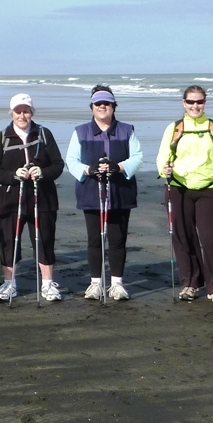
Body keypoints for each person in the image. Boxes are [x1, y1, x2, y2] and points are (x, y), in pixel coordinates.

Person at [156, 85, 213, 304]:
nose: (195, 106)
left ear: (205, 102)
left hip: (209, 190)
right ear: (183, 103)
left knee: (210, 238)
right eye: (191, 102)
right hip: (179, 188)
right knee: (183, 237)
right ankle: (190, 284)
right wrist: (164, 169)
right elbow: (163, 157)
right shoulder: (174, 128)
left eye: (199, 102)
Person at [65, 85, 143, 301]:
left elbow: (137, 157)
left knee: (117, 240)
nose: (102, 107)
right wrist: (88, 170)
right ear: (92, 107)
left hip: (120, 193)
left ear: (113, 106)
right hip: (91, 192)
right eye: (98, 103)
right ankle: (95, 284)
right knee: (94, 240)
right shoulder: (80, 131)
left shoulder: (127, 130)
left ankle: (117, 284)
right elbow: (71, 161)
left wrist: (118, 167)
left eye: (106, 103)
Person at [0, 94, 64, 302]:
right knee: (8, 241)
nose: (22, 115)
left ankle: (48, 285)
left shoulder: (44, 134)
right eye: (18, 111)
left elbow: (57, 165)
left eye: (26, 111)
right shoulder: (3, 136)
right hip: (9, 200)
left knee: (45, 240)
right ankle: (9, 284)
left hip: (42, 197)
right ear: (11, 113)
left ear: (32, 112)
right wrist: (13, 175)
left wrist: (42, 172)